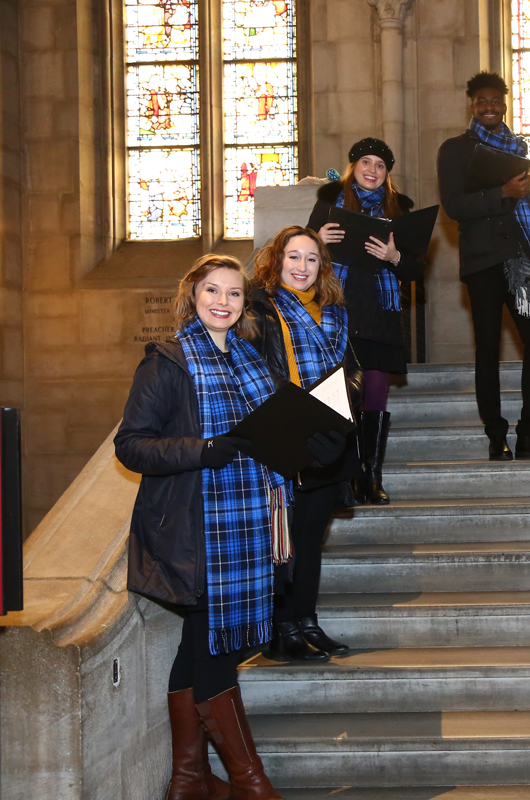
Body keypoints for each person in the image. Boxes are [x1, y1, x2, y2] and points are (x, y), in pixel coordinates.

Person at [116, 255, 287, 800]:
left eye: (234, 294)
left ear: (243, 304)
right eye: (212, 291)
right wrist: (203, 450)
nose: (223, 301)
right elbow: (132, 444)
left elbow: (270, 431)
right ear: (193, 297)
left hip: (247, 528)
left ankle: (188, 780)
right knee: (215, 657)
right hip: (198, 532)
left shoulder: (251, 361)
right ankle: (250, 784)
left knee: (197, 649)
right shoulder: (167, 362)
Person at [437, 71, 530, 461]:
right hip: (482, 262)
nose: (490, 106)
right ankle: (496, 436)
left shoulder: (518, 150)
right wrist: (501, 192)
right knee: (488, 347)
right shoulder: (455, 149)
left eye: (496, 100)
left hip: (520, 262)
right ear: (472, 105)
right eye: (482, 101)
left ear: (505, 104)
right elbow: (454, 205)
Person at [249, 226, 363, 663]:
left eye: (311, 259)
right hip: (286, 432)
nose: (302, 267)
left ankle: (307, 621)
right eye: (293, 257)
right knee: (285, 540)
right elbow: (255, 368)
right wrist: (296, 408)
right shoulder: (260, 308)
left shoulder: (334, 311)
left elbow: (351, 368)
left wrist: (344, 397)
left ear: (322, 266)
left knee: (312, 538)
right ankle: (282, 629)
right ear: (277, 261)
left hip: (328, 433)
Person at [308, 137, 424, 504]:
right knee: (339, 399)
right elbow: (299, 258)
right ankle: (342, 476)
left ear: (387, 173)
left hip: (379, 315)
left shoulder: (399, 208)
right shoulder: (329, 202)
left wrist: (394, 255)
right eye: (366, 163)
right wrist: (317, 239)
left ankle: (371, 476)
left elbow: (415, 268)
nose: (372, 170)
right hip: (336, 312)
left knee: (374, 395)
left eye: (380, 165)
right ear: (353, 167)